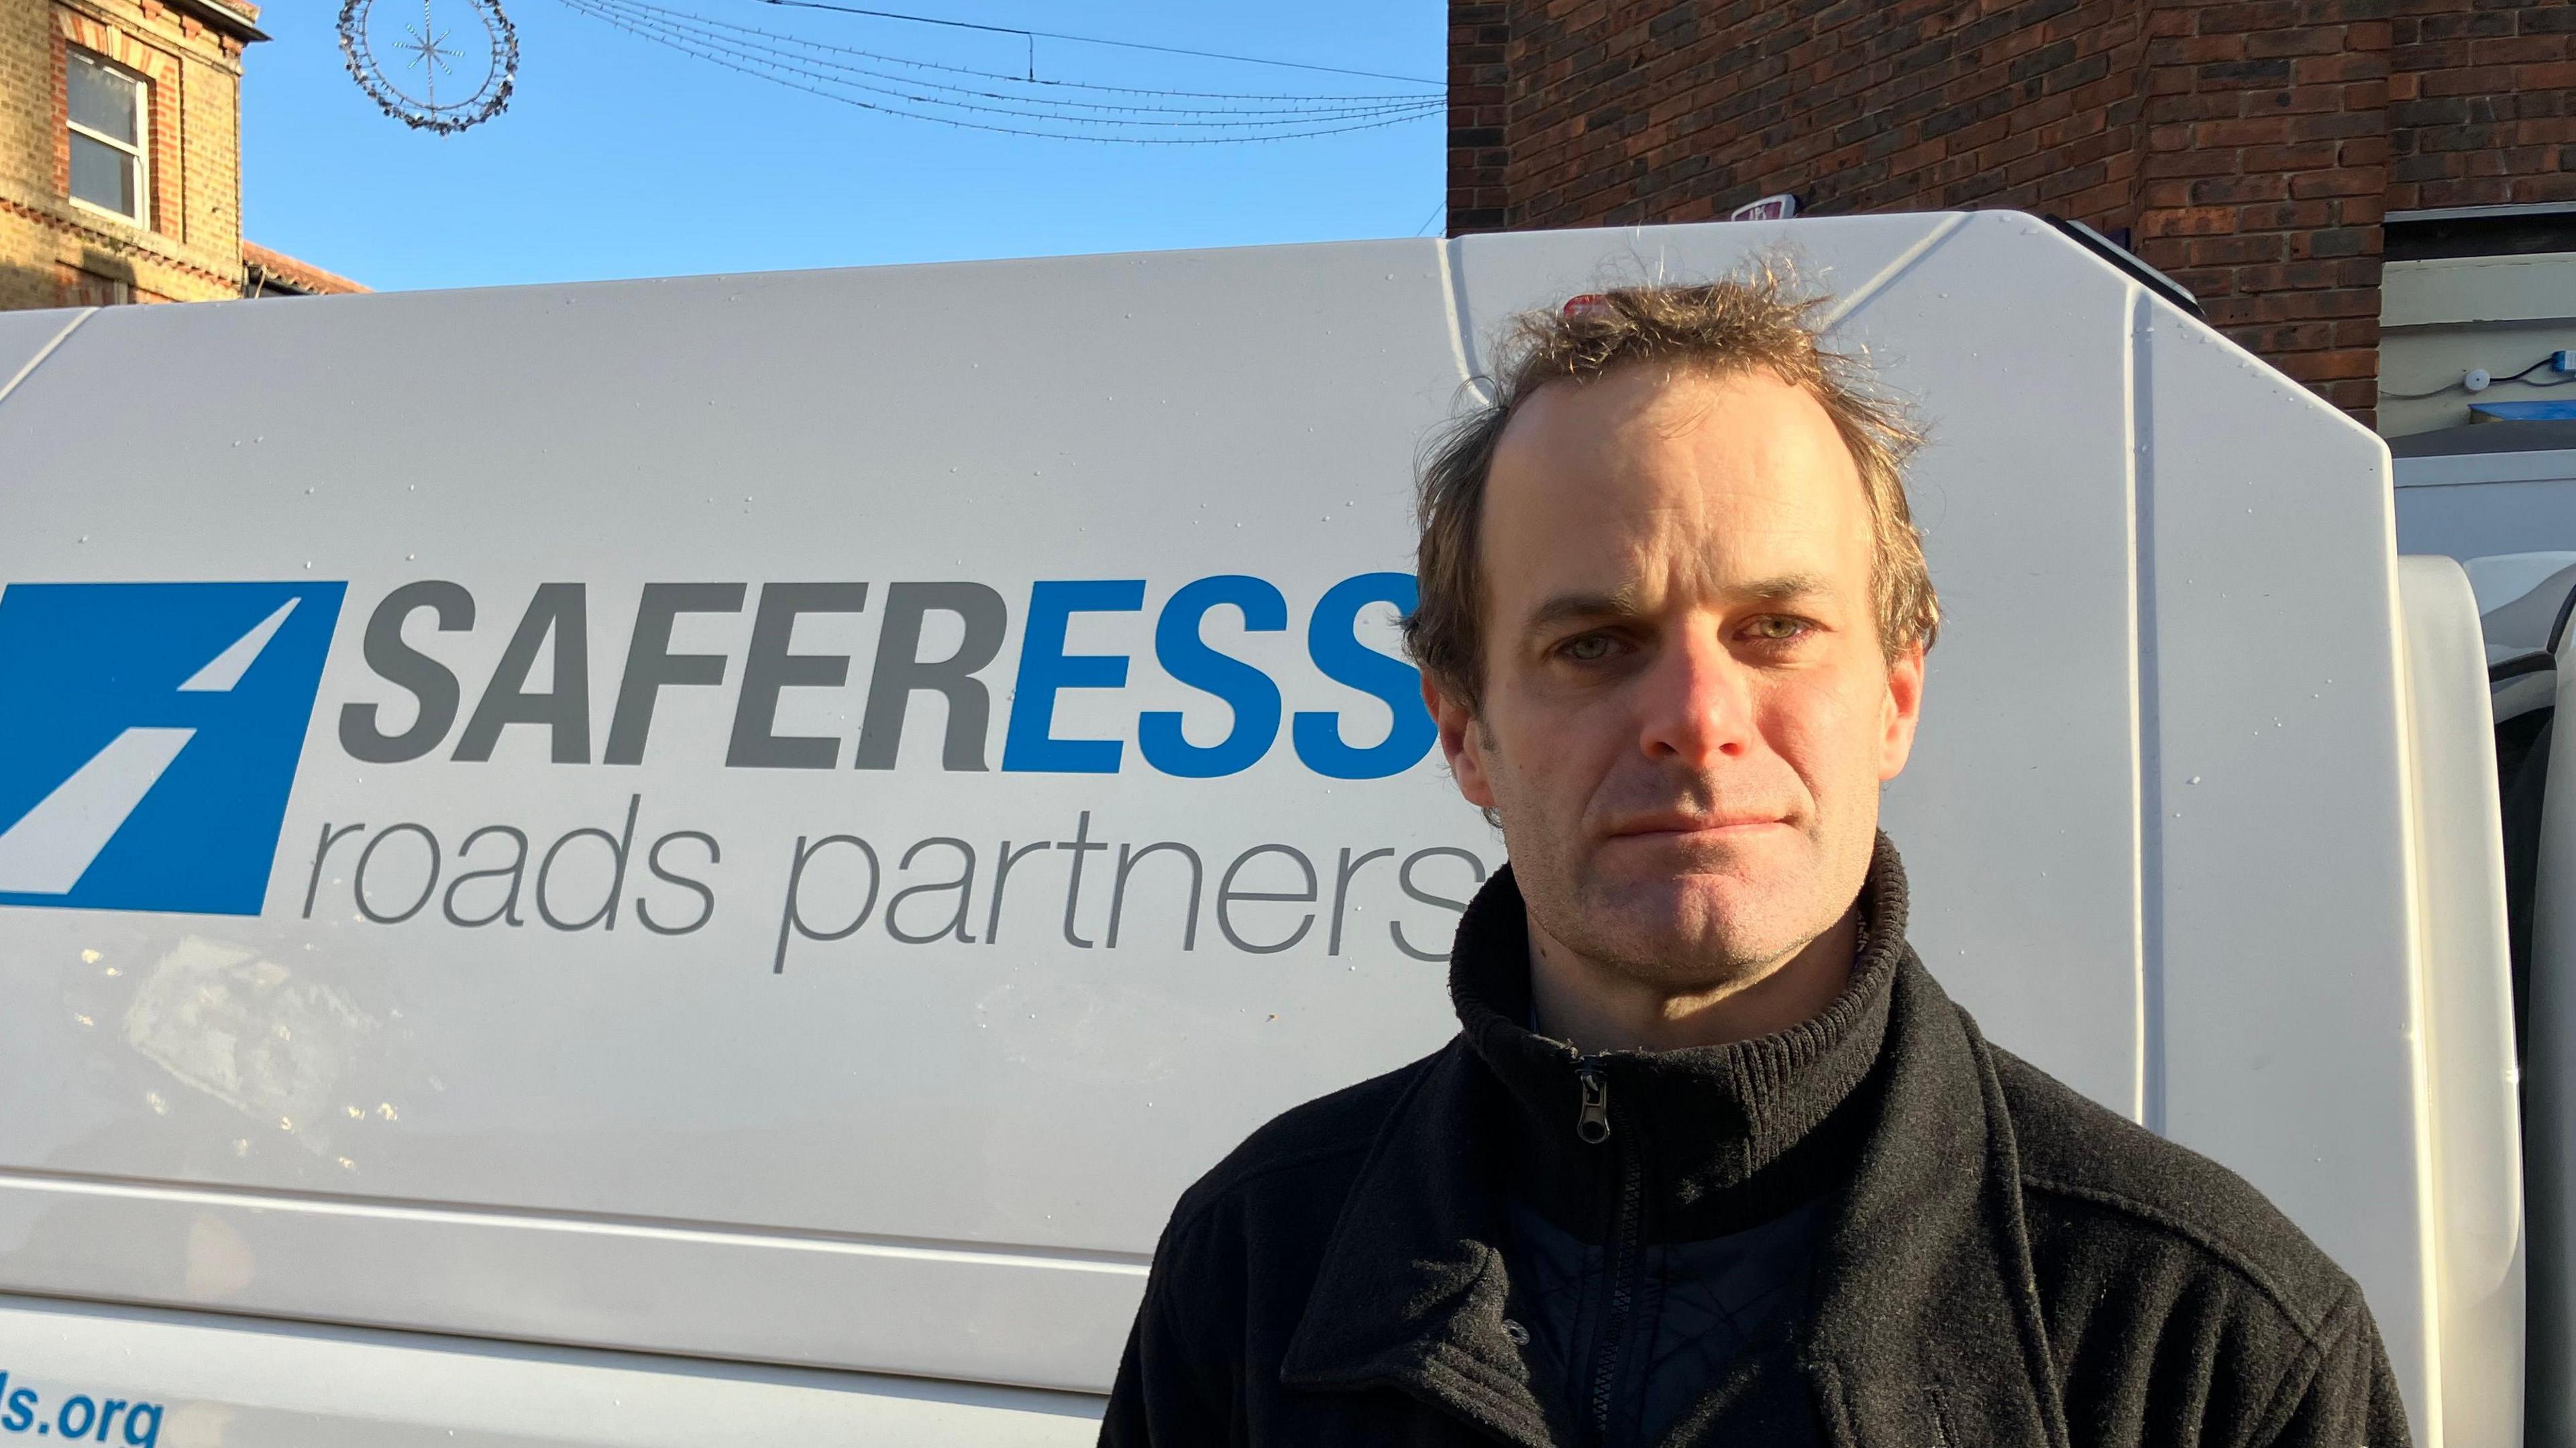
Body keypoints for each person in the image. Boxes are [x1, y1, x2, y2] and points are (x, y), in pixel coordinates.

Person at [1098, 270, 2410, 1446]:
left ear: (1895, 699)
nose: (1696, 717)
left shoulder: (2207, 1348)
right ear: (1465, 734)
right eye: (1595, 642)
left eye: (1776, 628)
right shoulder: (1257, 1262)